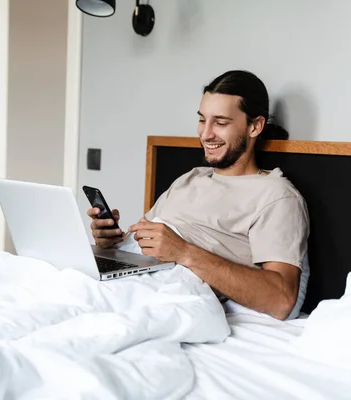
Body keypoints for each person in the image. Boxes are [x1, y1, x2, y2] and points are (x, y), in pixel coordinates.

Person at [87, 70, 310, 321]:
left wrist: (184, 252)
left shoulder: (276, 196)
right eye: (202, 120)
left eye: (221, 123)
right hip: (131, 281)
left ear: (255, 126)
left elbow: (281, 301)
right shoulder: (190, 178)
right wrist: (111, 244)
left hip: (173, 293)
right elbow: (148, 244)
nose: (205, 134)